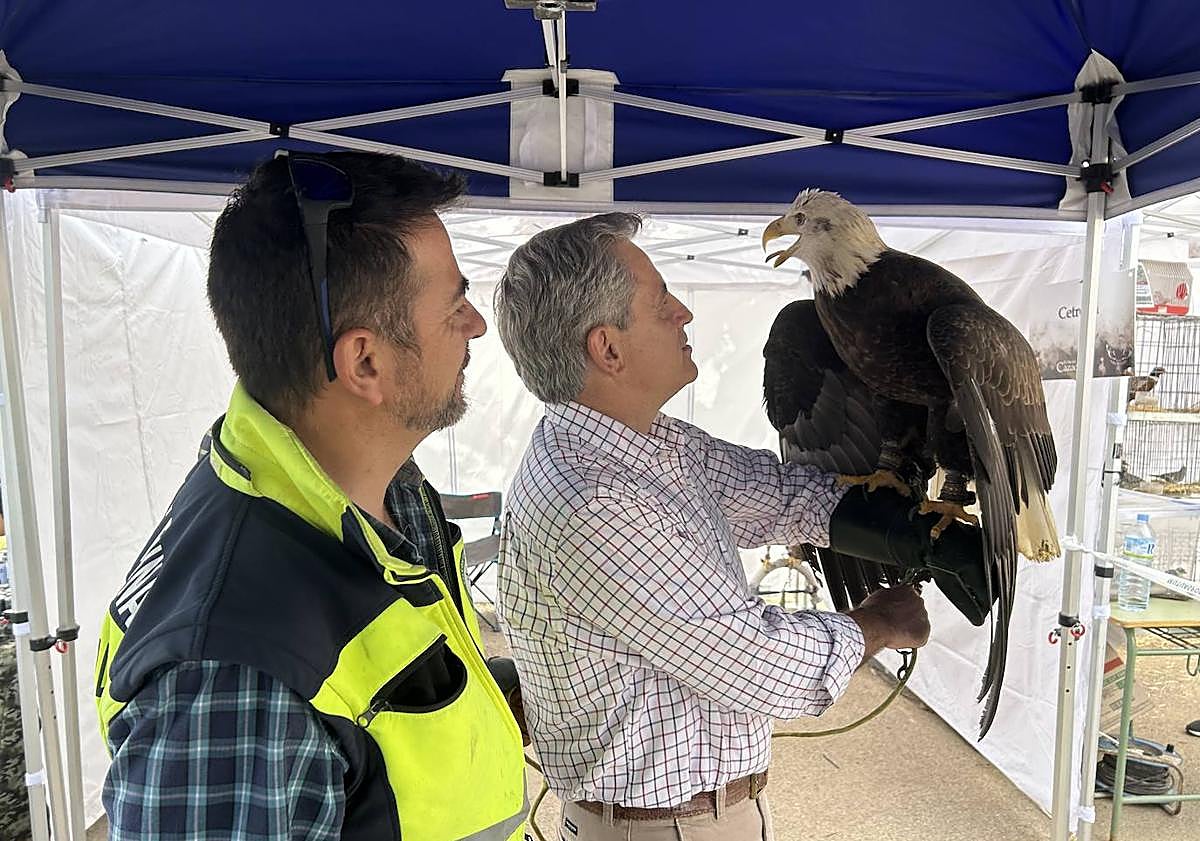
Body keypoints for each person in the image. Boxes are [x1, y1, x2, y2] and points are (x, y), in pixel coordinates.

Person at [493, 213, 984, 841]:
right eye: (659, 301)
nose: (683, 314)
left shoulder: (648, 443)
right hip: (658, 829)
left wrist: (915, 528)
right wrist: (878, 625)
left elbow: (776, 494)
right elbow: (756, 664)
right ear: (607, 348)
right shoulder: (595, 497)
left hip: (702, 815)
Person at [96, 152, 528, 840]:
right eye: (455, 305)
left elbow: (377, 701)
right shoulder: (237, 677)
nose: (476, 325)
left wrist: (504, 690)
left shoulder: (382, 489)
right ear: (365, 362)